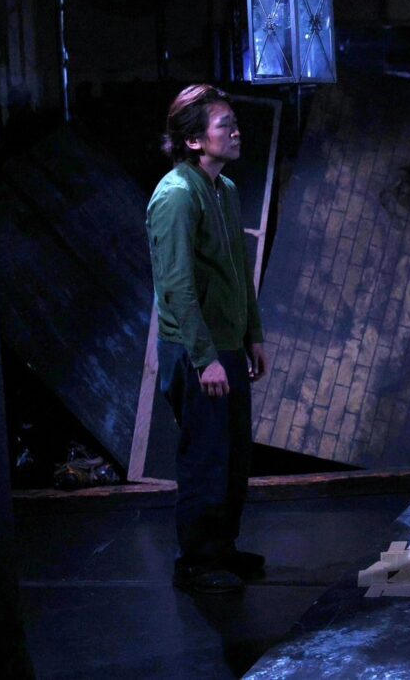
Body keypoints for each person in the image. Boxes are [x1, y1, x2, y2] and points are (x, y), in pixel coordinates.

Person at [147, 84, 268, 594]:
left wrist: (252, 335)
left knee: (233, 457)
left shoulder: (225, 189)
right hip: (196, 351)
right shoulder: (177, 195)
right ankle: (196, 563)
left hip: (227, 345)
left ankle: (222, 549)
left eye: (234, 123)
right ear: (194, 140)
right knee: (205, 458)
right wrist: (205, 359)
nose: (236, 132)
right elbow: (175, 286)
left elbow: (237, 267)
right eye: (225, 125)